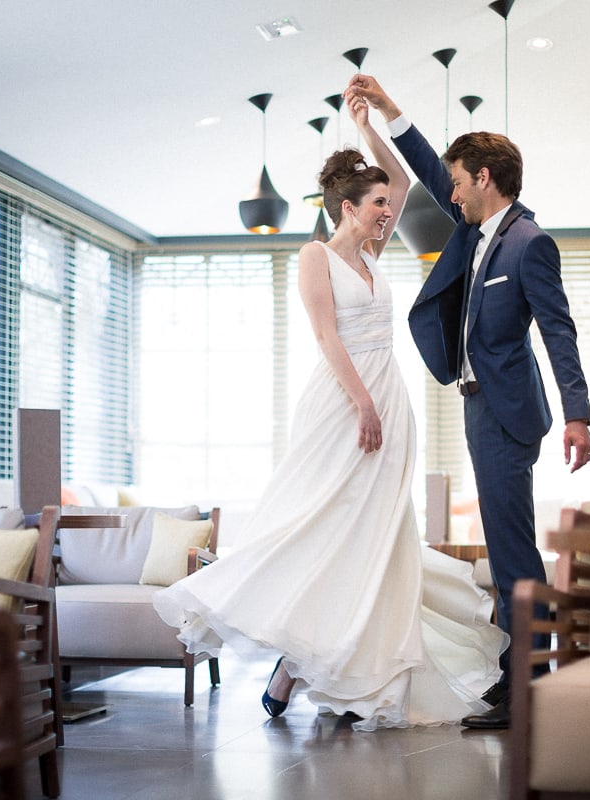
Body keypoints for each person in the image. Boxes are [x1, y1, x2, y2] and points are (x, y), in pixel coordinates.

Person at [153, 93, 507, 731]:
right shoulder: (316, 256)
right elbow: (326, 338)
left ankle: (347, 676)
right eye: (375, 206)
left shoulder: (374, 254)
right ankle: (295, 661)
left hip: (388, 402)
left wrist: (368, 128)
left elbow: (397, 178)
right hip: (343, 404)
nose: (387, 212)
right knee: (323, 529)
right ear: (349, 208)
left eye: (385, 207)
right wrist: (364, 403)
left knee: (373, 538)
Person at [346, 73, 590, 729]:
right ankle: (519, 675)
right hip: (478, 407)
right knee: (506, 545)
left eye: (460, 182)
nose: (450, 193)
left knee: (513, 553)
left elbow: (558, 329)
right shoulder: (476, 230)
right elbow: (429, 168)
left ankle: (528, 688)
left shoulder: (528, 242)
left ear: (485, 177)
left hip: (509, 414)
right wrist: (391, 113)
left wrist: (577, 414)